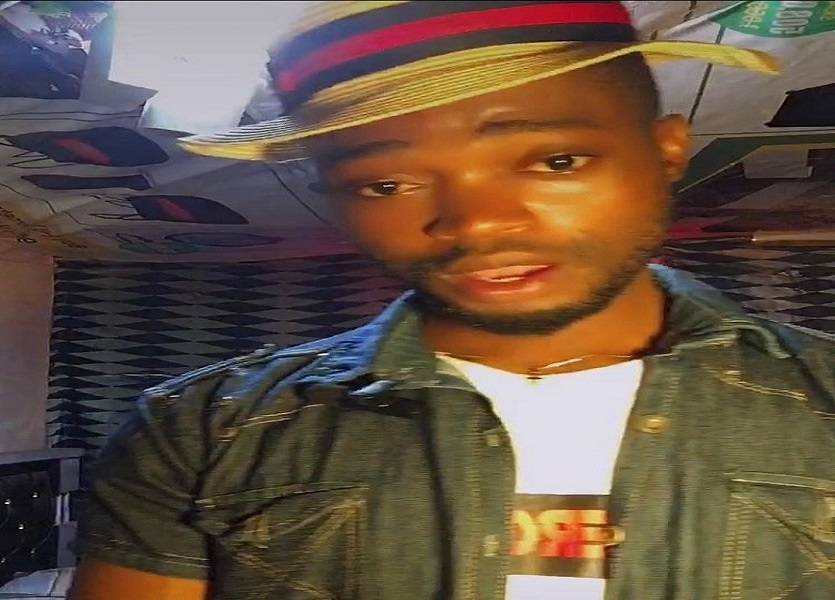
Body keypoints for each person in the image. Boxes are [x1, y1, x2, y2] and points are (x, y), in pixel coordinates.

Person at [68, 2, 835, 600]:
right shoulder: (201, 432)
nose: (476, 223)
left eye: (554, 161)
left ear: (667, 150)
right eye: (386, 183)